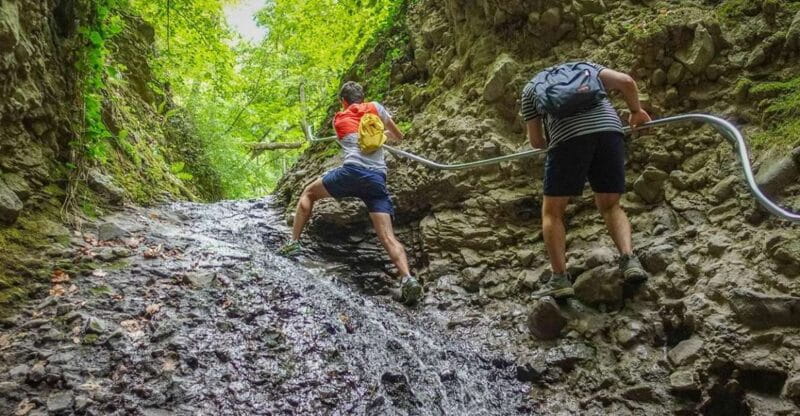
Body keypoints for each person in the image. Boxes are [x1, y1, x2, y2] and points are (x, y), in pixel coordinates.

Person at [278, 81, 422, 305]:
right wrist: (381, 134)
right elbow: (398, 136)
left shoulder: (339, 119)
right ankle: (407, 278)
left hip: (351, 173)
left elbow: (347, 141)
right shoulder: (376, 108)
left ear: (343, 101)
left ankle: (294, 242)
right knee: (387, 236)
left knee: (308, 193)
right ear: (363, 97)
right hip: (376, 179)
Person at [521, 62, 650, 299]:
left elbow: (537, 141)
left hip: (567, 139)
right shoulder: (585, 67)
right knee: (611, 204)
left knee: (553, 212)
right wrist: (635, 111)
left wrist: (562, 146)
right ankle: (629, 260)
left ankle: (560, 278)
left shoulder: (531, 88)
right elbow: (626, 82)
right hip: (609, 132)